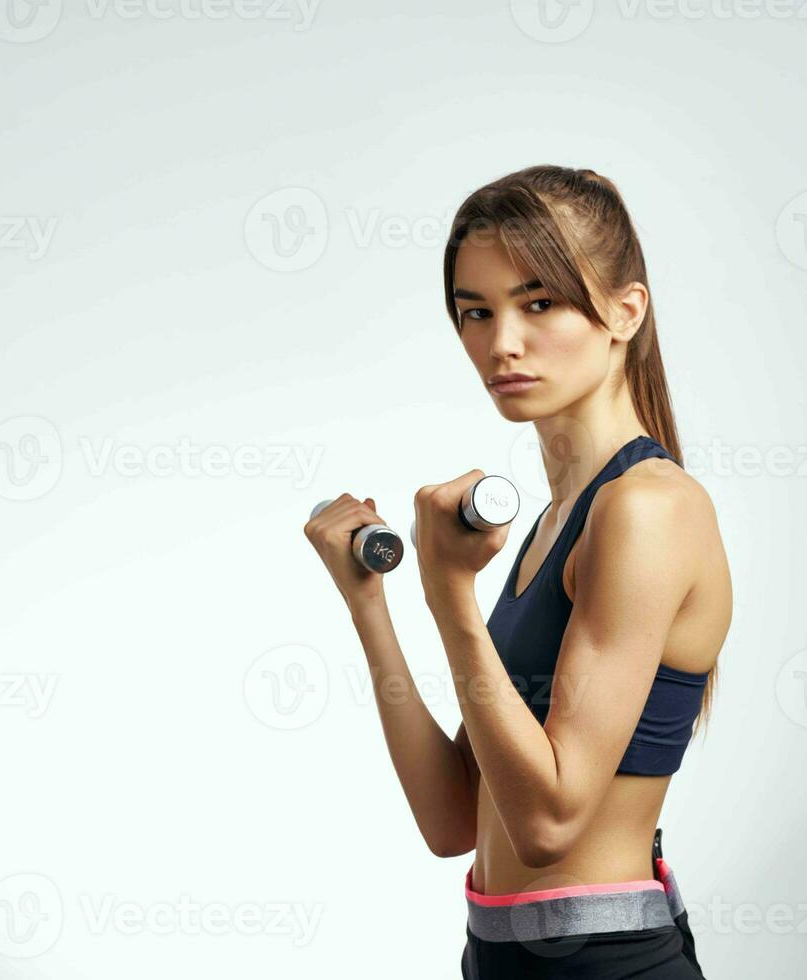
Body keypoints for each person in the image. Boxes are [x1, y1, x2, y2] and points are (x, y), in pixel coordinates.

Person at [305, 165, 731, 978]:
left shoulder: (648, 508)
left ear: (624, 311)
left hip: (605, 966)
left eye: (539, 303)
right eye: (476, 312)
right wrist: (372, 606)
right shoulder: (552, 526)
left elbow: (549, 824)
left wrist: (449, 594)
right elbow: (451, 818)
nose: (500, 343)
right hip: (496, 959)